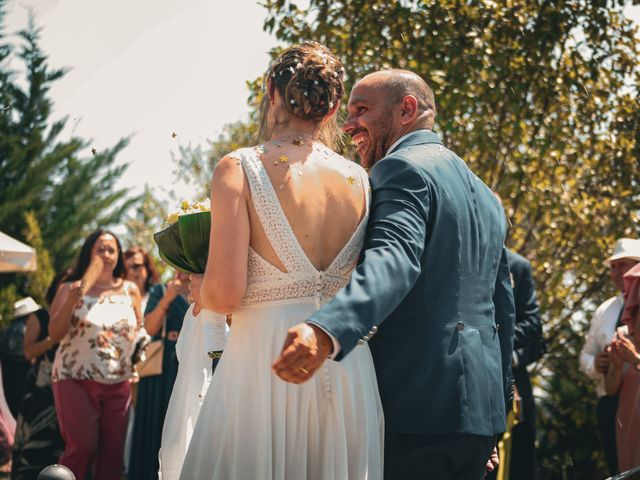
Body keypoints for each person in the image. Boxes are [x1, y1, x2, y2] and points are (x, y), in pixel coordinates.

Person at [273, 69, 516, 480]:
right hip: (477, 419)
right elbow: (501, 311)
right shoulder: (484, 194)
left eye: (361, 111)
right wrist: (495, 415)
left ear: (407, 109)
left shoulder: (402, 170)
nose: (348, 125)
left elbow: (396, 259)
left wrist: (326, 328)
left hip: (416, 412)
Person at [180, 42, 383, 479]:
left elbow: (226, 293)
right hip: (346, 366)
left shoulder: (240, 168)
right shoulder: (361, 180)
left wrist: (202, 285)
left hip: (265, 361)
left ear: (271, 90)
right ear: (330, 111)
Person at [49, 229, 142, 480]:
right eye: (100, 248)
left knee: (112, 458)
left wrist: (136, 363)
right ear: (89, 253)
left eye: (112, 249)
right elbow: (55, 334)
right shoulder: (69, 288)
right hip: (74, 377)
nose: (106, 254)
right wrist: (71, 301)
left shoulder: (130, 290)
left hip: (118, 382)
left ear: (119, 255)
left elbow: (139, 331)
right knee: (83, 447)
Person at [579, 238, 640, 475]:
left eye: (622, 265)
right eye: (613, 266)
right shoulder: (605, 310)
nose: (616, 272)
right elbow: (585, 354)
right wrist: (595, 364)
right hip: (610, 400)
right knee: (618, 469)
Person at [488, 250, 545, 480]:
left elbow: (533, 325)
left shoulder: (518, 266)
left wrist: (495, 343)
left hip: (512, 383)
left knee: (518, 465)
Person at [129, 272, 189, 480]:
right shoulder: (160, 290)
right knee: (157, 423)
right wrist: (168, 298)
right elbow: (150, 327)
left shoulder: (207, 287)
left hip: (191, 361)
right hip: (163, 367)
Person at [11, 272, 69, 480]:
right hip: (41, 393)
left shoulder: (80, 319)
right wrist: (53, 339)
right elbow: (29, 351)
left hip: (69, 391)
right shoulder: (41, 316)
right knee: (34, 448)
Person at [605, 262, 640, 472]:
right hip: (628, 430)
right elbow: (610, 389)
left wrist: (636, 360)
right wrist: (616, 367)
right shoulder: (624, 338)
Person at [124, 247, 160, 313]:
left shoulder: (160, 297)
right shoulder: (115, 299)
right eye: (125, 268)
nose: (130, 272)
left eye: (136, 266)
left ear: (148, 268)